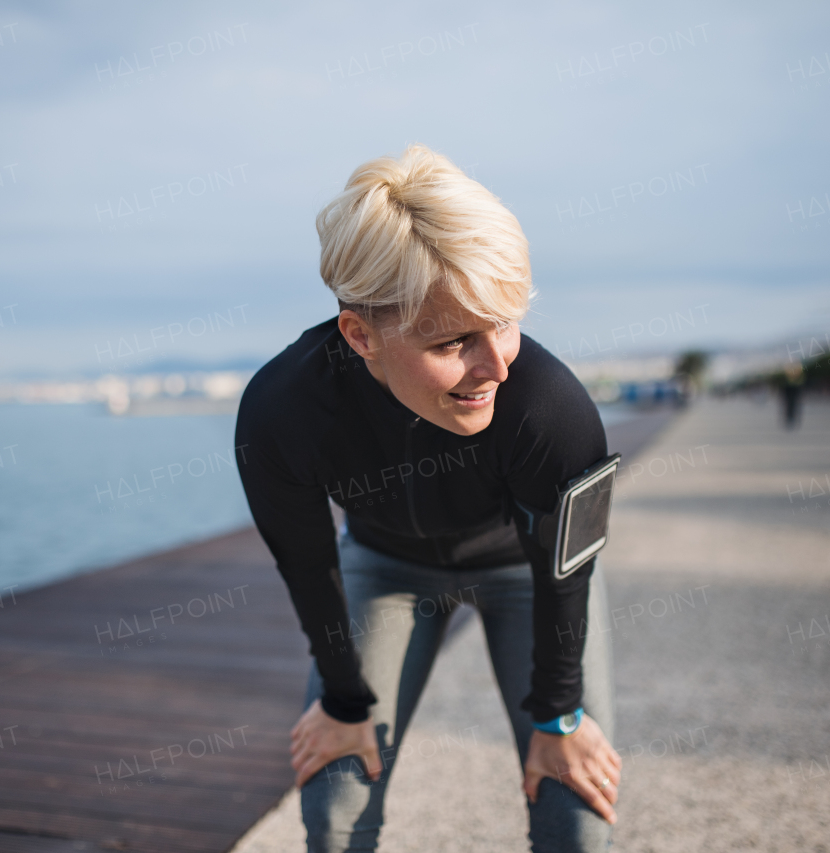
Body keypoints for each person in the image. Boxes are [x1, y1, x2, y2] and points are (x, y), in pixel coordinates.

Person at [234, 144, 621, 853]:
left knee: (576, 814)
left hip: (523, 569)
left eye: (506, 320)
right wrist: (345, 703)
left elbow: (568, 572)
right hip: (384, 563)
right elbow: (308, 564)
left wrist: (560, 718)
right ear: (360, 334)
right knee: (335, 805)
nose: (499, 366)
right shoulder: (281, 413)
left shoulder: (553, 413)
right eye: (454, 341)